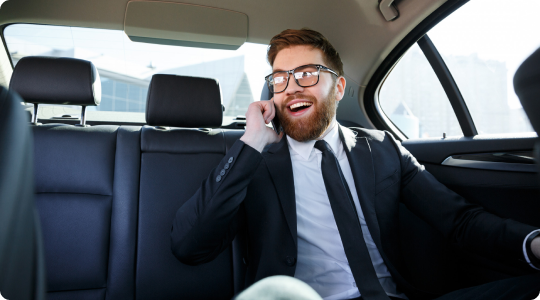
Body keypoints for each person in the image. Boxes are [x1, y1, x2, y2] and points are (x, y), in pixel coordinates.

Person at [171, 29, 540, 300]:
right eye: (281, 79)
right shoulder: (253, 161)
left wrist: (535, 243)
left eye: (307, 74)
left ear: (340, 88)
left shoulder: (382, 149)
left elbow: (458, 220)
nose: (292, 87)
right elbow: (189, 245)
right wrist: (251, 142)